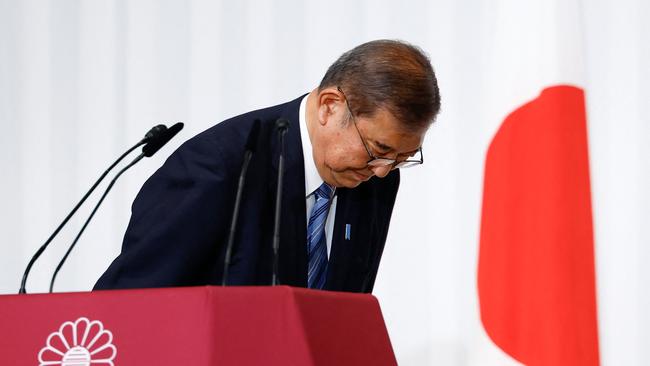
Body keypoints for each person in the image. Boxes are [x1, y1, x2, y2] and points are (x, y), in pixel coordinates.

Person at [94, 39, 441, 293]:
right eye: (378, 149)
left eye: (401, 158)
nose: (382, 170)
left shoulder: (375, 179)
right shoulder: (219, 166)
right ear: (330, 106)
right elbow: (129, 306)